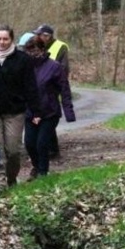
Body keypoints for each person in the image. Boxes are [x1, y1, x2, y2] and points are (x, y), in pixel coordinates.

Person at [0, 25, 42, 188]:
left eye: (5, 39)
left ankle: (11, 177)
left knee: (13, 151)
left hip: (15, 111)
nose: (2, 42)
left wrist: (36, 110)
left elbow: (30, 86)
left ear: (11, 39)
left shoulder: (23, 59)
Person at [22, 37, 75, 179]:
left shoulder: (54, 66)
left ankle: (43, 172)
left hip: (49, 112)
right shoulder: (25, 67)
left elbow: (64, 89)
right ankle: (36, 166)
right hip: (31, 112)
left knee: (41, 144)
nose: (32, 54)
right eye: (29, 51)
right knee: (29, 143)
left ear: (42, 50)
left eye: (35, 50)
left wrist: (68, 112)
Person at [34, 23, 70, 158]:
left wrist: (60, 85)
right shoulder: (37, 46)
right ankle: (50, 148)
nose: (37, 37)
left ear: (47, 36)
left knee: (49, 116)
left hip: (53, 83)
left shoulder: (61, 46)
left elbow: (64, 67)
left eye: (40, 35)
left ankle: (51, 149)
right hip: (41, 84)